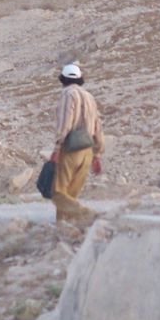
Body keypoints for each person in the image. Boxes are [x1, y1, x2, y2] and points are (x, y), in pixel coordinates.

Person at [50, 63, 105, 225]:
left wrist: (57, 147)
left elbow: (65, 122)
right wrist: (98, 154)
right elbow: (97, 125)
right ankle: (63, 225)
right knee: (71, 192)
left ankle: (85, 214)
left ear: (63, 79)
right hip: (87, 150)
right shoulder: (89, 97)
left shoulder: (67, 94)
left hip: (71, 149)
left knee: (58, 192)